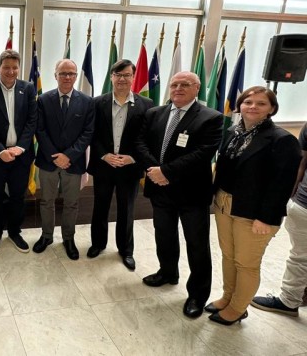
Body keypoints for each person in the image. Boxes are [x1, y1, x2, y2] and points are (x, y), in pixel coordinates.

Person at [207, 87, 301, 325]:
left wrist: (266, 218)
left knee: (246, 263)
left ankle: (238, 308)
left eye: (261, 103)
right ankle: (227, 297)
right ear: (240, 105)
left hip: (255, 212)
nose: (253, 107)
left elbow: (282, 184)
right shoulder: (233, 132)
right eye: (248, 102)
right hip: (225, 203)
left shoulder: (282, 140)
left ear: (272, 109)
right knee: (228, 256)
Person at [135, 71, 222, 319]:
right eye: (174, 84)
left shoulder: (211, 117)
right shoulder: (155, 113)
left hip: (191, 193)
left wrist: (166, 172)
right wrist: (154, 170)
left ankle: (197, 295)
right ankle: (167, 272)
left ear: (197, 88)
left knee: (197, 244)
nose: (178, 88)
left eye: (185, 84)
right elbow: (140, 143)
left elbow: (203, 153)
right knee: (164, 235)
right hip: (159, 189)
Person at [87, 59, 154, 270]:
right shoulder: (97, 102)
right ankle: (98, 244)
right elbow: (92, 134)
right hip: (104, 166)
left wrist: (133, 158)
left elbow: (147, 137)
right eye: (118, 75)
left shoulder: (147, 104)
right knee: (100, 207)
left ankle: (126, 250)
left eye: (126, 75)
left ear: (133, 77)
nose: (122, 79)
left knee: (127, 209)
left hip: (130, 167)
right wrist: (104, 155)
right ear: (111, 77)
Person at [33, 59, 94, 260]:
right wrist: (55, 156)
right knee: (46, 201)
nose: (67, 77)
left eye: (71, 73)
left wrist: (68, 155)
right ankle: (46, 236)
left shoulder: (87, 101)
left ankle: (68, 238)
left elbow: (88, 133)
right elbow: (40, 130)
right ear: (55, 75)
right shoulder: (43, 100)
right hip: (48, 161)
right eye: (63, 73)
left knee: (71, 203)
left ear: (76, 76)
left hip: (73, 162)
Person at [0, 49, 37, 254]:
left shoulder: (28, 88)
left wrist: (20, 147)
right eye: (6, 67)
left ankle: (14, 232)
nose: (11, 71)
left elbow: (32, 121)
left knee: (18, 197)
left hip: (21, 156)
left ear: (19, 68)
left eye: (14, 67)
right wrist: (0, 151)